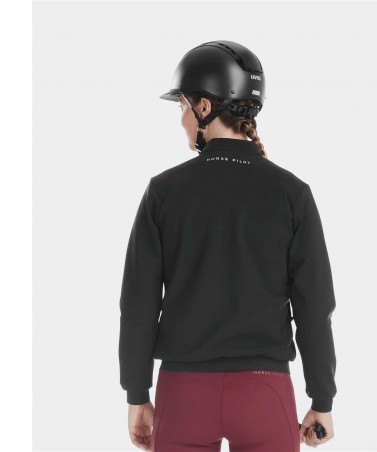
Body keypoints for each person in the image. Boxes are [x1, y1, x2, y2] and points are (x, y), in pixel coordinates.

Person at [118, 40, 337, 451]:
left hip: (183, 394)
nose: (182, 119)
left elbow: (138, 304)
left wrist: (136, 393)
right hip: (265, 393)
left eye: (182, 106)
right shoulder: (292, 193)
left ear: (204, 106)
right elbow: (314, 306)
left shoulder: (164, 191)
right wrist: (322, 399)